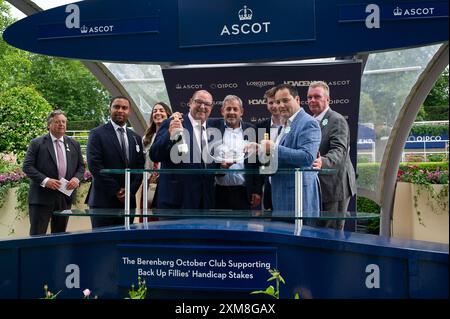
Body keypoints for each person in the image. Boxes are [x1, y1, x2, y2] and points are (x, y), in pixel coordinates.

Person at [260, 83, 321, 219]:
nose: (280, 105)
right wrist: (258, 148)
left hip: (298, 198)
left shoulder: (308, 122)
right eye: (277, 102)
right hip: (282, 195)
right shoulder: (287, 124)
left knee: (301, 238)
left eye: (285, 100)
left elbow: (307, 157)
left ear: (297, 100)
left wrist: (273, 148)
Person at [150, 90, 218, 209]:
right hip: (177, 203)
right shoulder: (172, 123)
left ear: (211, 108)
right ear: (190, 103)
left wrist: (221, 166)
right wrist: (169, 135)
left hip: (204, 204)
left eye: (207, 104)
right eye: (199, 102)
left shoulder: (213, 131)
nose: (202, 107)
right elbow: (155, 154)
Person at [22, 110, 85, 235]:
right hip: (41, 197)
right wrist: (46, 181)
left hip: (64, 197)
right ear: (49, 125)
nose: (61, 124)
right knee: (37, 235)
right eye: (57, 122)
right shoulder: (37, 143)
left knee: (60, 235)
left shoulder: (74, 144)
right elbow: (27, 166)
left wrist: (76, 179)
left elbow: (81, 167)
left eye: (63, 122)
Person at [86, 96, 145, 228]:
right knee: (102, 243)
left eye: (124, 108)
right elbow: (95, 165)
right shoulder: (97, 133)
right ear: (110, 109)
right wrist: (116, 190)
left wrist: (129, 191)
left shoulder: (135, 137)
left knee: (125, 243)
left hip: (128, 203)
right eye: (116, 107)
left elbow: (140, 167)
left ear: (129, 111)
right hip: (103, 202)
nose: (120, 110)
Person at [308, 81, 356, 230]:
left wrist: (323, 161)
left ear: (327, 99)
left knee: (331, 233)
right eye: (309, 97)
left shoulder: (337, 120)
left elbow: (339, 151)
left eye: (317, 96)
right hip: (317, 186)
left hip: (335, 187)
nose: (312, 100)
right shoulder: (311, 121)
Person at [208, 95, 262, 210]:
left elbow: (257, 163)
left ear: (241, 112)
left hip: (243, 193)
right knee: (218, 227)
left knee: (241, 227)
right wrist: (220, 166)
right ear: (222, 111)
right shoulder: (212, 128)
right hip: (218, 192)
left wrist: (257, 190)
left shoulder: (252, 130)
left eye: (235, 109)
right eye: (228, 109)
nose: (231, 112)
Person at [138, 102, 173, 211]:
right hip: (150, 183)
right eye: (155, 111)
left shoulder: (174, 136)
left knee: (162, 216)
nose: (158, 113)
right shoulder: (146, 138)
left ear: (168, 115)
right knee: (147, 216)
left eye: (161, 111)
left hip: (166, 183)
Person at [256, 87, 284, 211]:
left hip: (287, 181)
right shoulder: (260, 127)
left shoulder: (293, 125)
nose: (274, 106)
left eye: (276, 102)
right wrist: (257, 189)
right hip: (267, 185)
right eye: (270, 102)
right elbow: (256, 162)